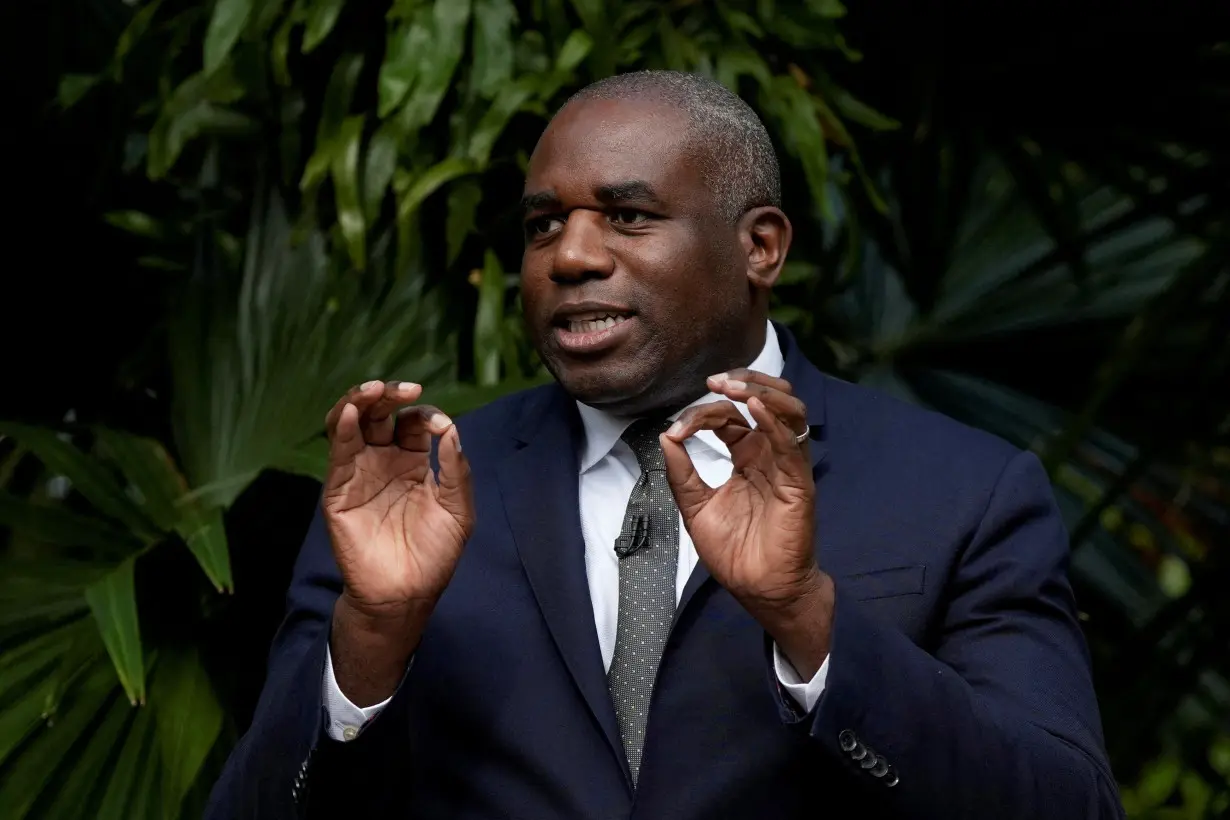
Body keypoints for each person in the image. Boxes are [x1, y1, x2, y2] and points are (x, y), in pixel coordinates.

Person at [205, 71, 1124, 819]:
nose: (569, 255)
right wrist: (371, 639)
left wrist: (808, 618)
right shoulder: (410, 488)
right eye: (541, 225)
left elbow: (1067, 804)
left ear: (760, 246)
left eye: (629, 216)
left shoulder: (965, 490)